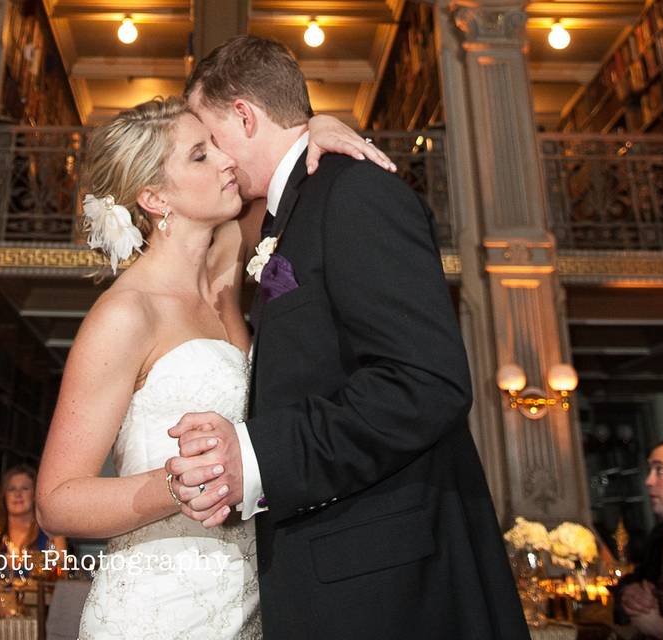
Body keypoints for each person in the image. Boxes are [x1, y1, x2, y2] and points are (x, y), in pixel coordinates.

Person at [165, 35, 529, 639]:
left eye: (209, 138)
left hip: (391, 592)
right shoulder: (291, 210)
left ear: (245, 116)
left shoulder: (354, 192)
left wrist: (259, 457)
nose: (216, 157)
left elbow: (426, 382)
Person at [35, 95, 388, 638]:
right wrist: (177, 487)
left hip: (249, 601)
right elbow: (56, 502)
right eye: (200, 155)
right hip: (159, 607)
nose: (225, 161)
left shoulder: (226, 257)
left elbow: (282, 160)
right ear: (154, 197)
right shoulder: (127, 315)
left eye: (216, 146)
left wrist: (316, 124)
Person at [618, 440, 663, 639]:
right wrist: (630, 593)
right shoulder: (660, 533)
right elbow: (638, 578)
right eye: (650, 471)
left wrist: (662, 629)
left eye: (659, 470)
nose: (648, 481)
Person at [0, 464, 67, 574]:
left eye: (24, 488)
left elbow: (60, 578)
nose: (17, 494)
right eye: (11, 489)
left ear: (35, 495)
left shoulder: (53, 535)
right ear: (4, 496)